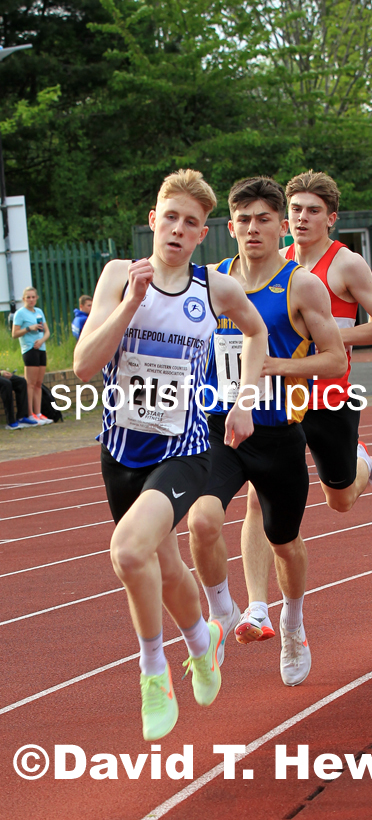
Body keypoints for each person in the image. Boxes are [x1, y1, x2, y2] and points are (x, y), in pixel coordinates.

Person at [73, 169, 267, 741]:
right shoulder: (119, 276)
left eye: (191, 223)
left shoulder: (215, 290)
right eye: (171, 218)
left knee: (128, 553)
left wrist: (244, 401)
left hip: (184, 452)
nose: (178, 230)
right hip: (121, 451)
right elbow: (83, 366)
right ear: (153, 221)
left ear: (203, 234)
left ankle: (153, 670)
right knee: (162, 565)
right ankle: (203, 642)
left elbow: (255, 333)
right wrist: (131, 303)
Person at [188, 176, 347, 686]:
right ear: (229, 227)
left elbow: (335, 358)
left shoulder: (301, 284)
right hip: (219, 428)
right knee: (201, 522)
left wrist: (275, 365)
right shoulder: (211, 280)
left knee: (284, 542)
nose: (252, 228)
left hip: (277, 434)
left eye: (263, 219)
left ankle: (293, 623)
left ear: (281, 226)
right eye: (243, 220)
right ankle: (223, 613)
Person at [236, 170, 372, 644]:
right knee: (257, 495)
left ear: (331, 218)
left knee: (339, 499)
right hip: (283, 397)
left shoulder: (346, 264)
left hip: (331, 395)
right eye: (295, 210)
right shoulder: (275, 261)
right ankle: (257, 608)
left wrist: (329, 334)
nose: (302, 218)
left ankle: (362, 463)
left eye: (313, 210)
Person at [11, 286, 53, 425]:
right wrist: (29, 328)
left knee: (39, 383)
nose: (31, 300)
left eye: (33, 297)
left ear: (37, 298)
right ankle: (30, 414)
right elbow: (14, 334)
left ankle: (38, 413)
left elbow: (47, 331)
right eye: (28, 297)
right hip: (29, 349)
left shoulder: (39, 311)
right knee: (31, 383)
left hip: (41, 348)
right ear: (24, 299)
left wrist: (41, 340)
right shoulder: (20, 314)